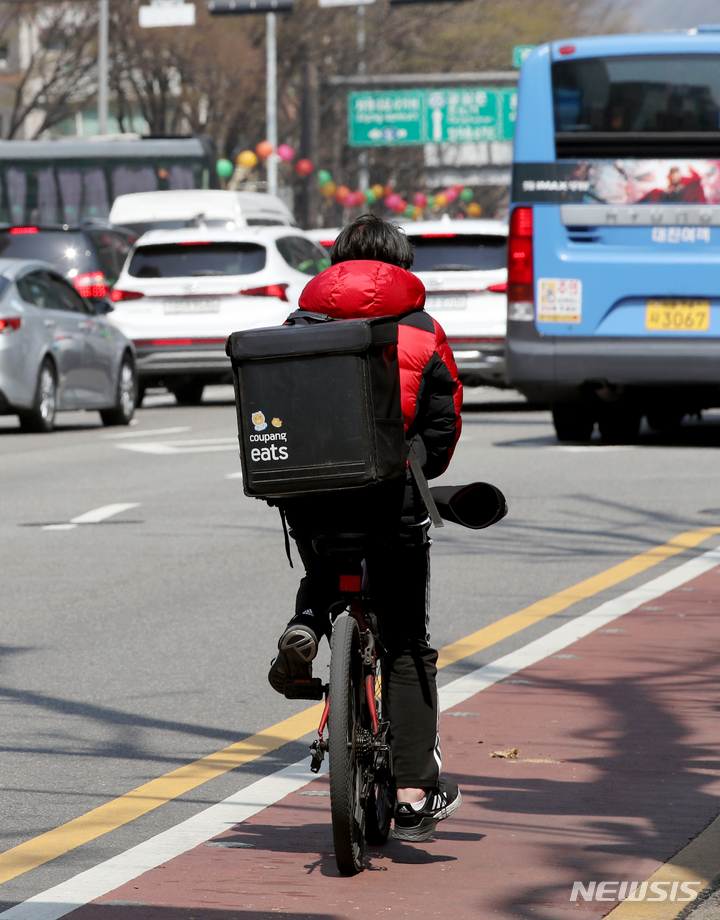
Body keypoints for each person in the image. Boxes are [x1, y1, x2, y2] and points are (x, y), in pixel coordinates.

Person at [267, 214, 463, 842]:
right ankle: (410, 793)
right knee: (406, 642)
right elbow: (442, 427)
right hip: (393, 506)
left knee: (327, 561)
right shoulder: (424, 331)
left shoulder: (298, 325)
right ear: (402, 266)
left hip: (315, 497)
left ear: (336, 261)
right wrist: (417, 475)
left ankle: (309, 620)